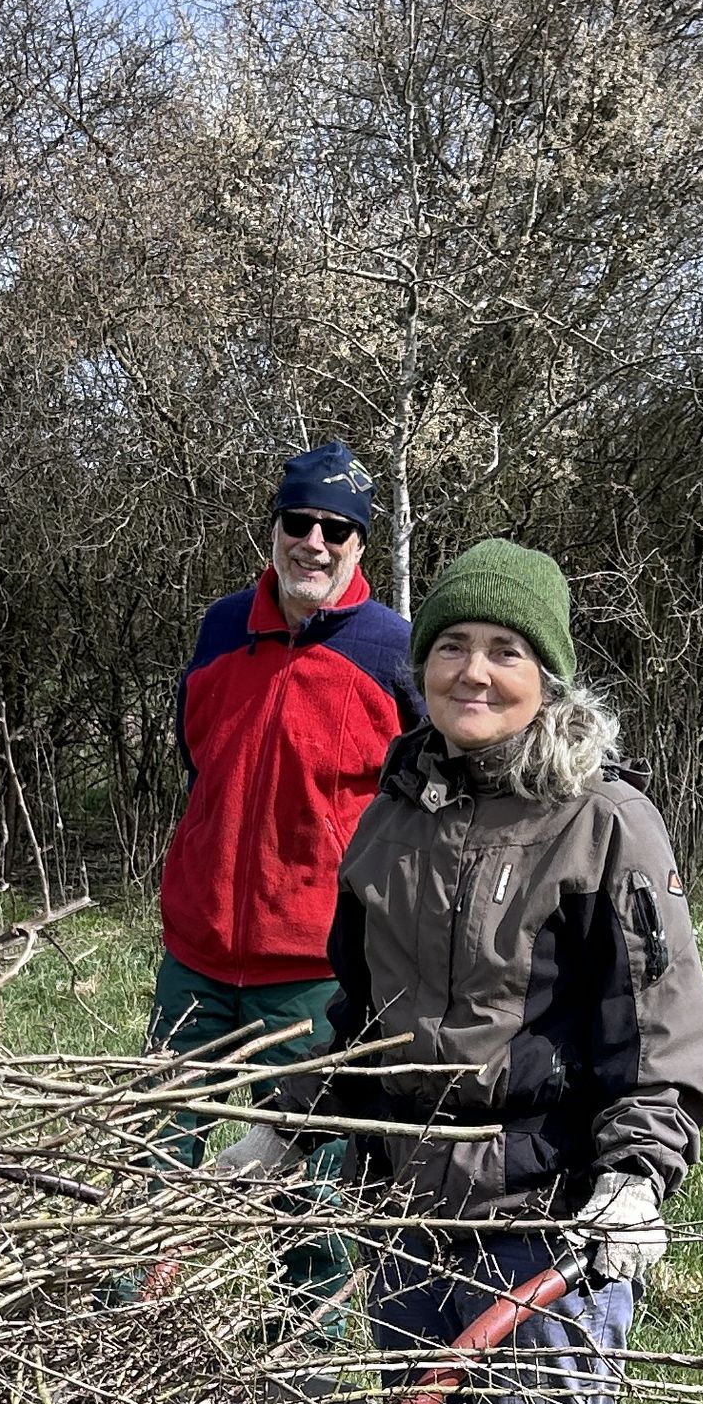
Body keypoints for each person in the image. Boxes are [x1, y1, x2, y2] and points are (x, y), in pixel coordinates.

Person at [236, 537, 703, 1404]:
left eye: (505, 650)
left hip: (548, 1217)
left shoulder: (606, 823)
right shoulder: (391, 821)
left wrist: (635, 1181)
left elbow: (661, 1031)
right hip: (415, 1221)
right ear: (423, 668)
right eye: (452, 646)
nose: (474, 669)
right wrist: (291, 1130)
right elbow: (354, 1020)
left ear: (548, 676)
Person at [148, 442, 418, 1138]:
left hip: (314, 974)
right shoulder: (222, 628)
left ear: (360, 543)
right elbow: (197, 757)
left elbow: (425, 799)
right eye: (298, 523)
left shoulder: (395, 651)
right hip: (196, 957)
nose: (314, 544)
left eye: (336, 529)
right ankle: (160, 1255)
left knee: (309, 1193)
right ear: (273, 529)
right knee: (149, 1167)